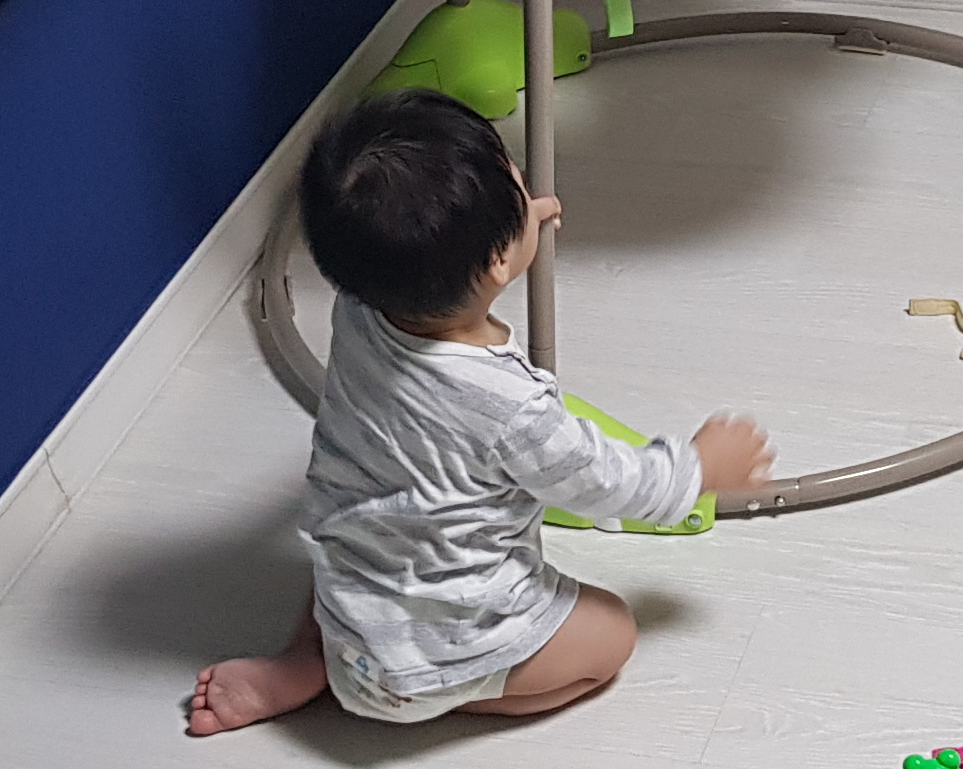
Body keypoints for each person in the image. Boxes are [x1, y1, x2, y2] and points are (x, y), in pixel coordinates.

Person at [188, 89, 772, 733]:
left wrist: (512, 227)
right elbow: (607, 483)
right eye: (518, 186)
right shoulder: (510, 408)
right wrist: (696, 468)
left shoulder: (358, 307)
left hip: (351, 597)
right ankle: (426, 692)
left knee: (358, 538)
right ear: (497, 260)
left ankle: (310, 654)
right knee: (613, 635)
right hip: (436, 648)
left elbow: (434, 269)